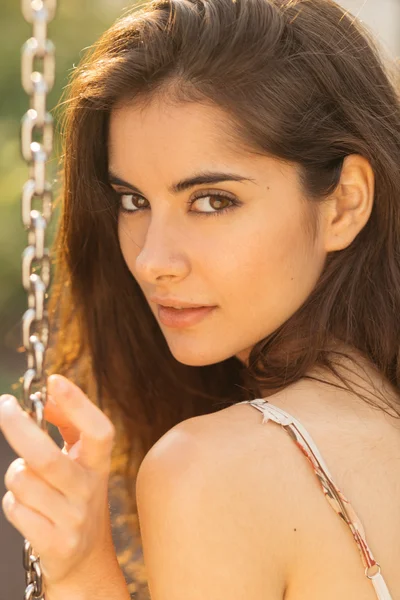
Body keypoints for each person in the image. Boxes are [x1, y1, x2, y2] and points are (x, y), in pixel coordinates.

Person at [1, 0, 399, 598]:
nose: (153, 259)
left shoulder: (213, 470)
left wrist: (84, 572)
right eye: (133, 201)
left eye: (212, 201)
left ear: (343, 203)